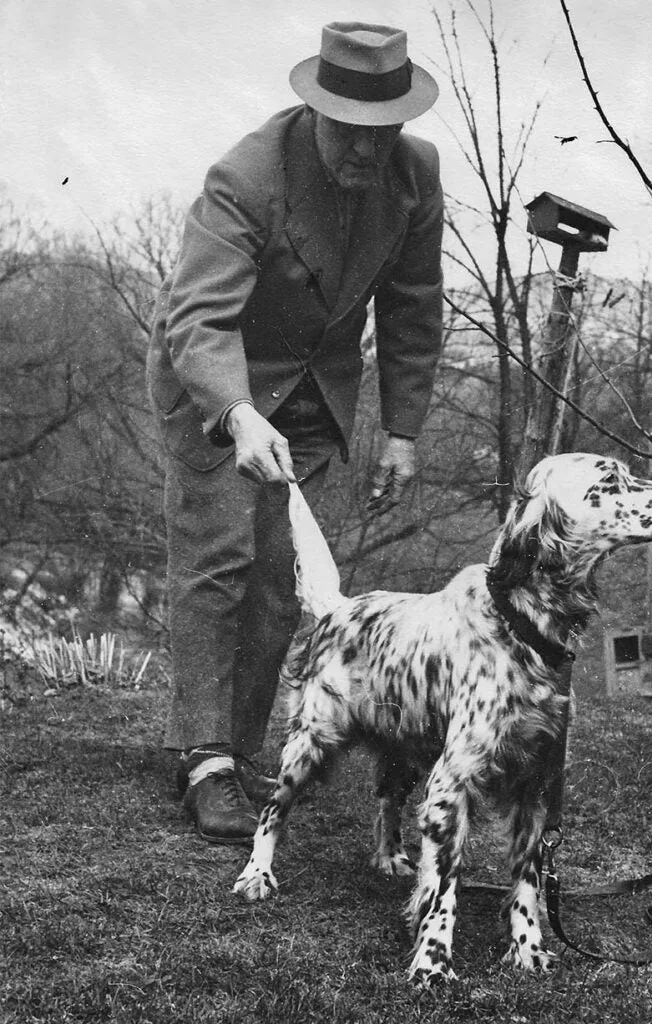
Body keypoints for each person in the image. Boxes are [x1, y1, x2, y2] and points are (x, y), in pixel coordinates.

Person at [146, 22, 444, 844]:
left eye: (379, 134)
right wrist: (237, 415)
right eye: (347, 131)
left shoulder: (415, 176)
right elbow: (199, 319)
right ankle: (203, 760)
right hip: (214, 379)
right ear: (313, 110)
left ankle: (235, 753)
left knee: (279, 581)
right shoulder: (247, 175)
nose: (363, 151)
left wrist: (403, 431)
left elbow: (413, 306)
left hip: (311, 393)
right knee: (219, 560)